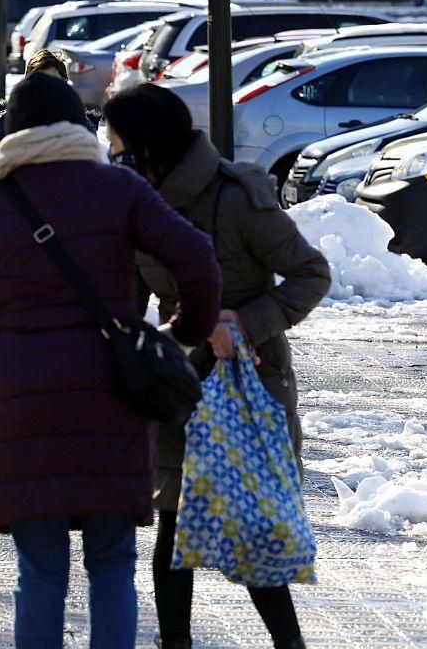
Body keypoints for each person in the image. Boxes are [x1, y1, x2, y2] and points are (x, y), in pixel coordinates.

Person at [0, 73, 222, 649]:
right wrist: (182, 335)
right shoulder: (120, 190)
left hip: (23, 408)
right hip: (112, 397)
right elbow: (197, 257)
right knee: (113, 564)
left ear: (12, 131)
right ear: (77, 126)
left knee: (39, 572)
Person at [102, 84, 330, 649]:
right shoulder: (135, 203)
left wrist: (244, 321)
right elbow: (126, 302)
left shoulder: (237, 196)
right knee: (173, 529)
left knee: (252, 535)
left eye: (118, 144)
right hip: (175, 387)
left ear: (148, 147)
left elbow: (311, 274)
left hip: (247, 385)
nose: (111, 155)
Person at [0, 49, 74, 182]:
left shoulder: (79, 123)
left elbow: (91, 174)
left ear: (64, 84)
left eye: (54, 82)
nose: (48, 89)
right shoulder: (8, 120)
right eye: (40, 83)